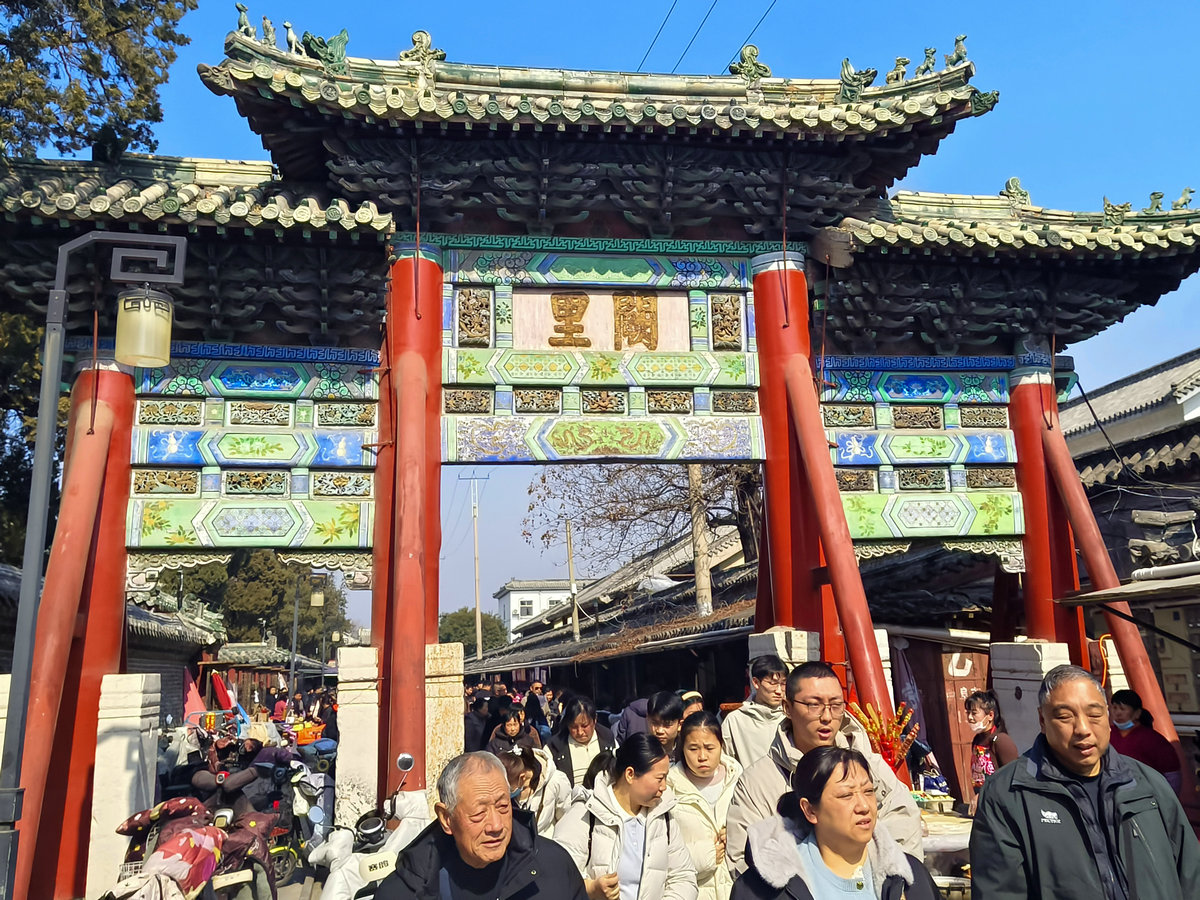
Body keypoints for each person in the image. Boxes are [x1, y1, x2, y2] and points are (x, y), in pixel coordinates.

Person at [970, 664, 1200, 899]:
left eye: (1094, 715)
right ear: (1042, 720)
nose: (1082, 729)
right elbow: (999, 891)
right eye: (1064, 717)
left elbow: (1191, 876)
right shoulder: (1008, 794)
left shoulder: (1148, 784)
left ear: (1107, 716)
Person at [725, 662, 921, 876]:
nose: (827, 717)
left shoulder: (870, 767)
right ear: (787, 708)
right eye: (813, 705)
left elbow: (904, 823)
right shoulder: (758, 781)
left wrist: (862, 873)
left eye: (836, 705)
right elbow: (743, 859)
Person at [731, 746, 940, 900]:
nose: (864, 806)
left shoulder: (910, 878)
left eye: (868, 791)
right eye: (846, 795)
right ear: (810, 810)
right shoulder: (762, 890)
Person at [374, 751, 587, 900]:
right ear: (447, 818)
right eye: (479, 813)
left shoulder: (554, 866)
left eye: (503, 807)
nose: (496, 825)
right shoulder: (405, 891)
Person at [555, 733, 698, 900]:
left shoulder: (663, 816)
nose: (664, 787)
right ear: (630, 774)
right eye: (660, 778)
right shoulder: (586, 811)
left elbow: (684, 877)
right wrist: (591, 889)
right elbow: (557, 875)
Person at [668, 711, 743, 900]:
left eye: (710, 748)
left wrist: (738, 836)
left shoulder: (739, 780)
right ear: (682, 748)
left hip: (737, 890)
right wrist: (704, 855)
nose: (702, 756)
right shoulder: (669, 788)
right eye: (693, 749)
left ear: (721, 746)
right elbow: (660, 851)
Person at [1109, 687, 1182, 791]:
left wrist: (1166, 797)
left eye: (1122, 709)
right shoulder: (1107, 734)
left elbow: (1172, 774)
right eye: (1115, 708)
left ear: (1137, 713)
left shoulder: (1153, 739)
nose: (1118, 713)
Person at [721, 655, 788, 769]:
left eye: (783, 684)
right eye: (772, 683)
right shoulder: (735, 721)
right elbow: (727, 765)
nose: (778, 691)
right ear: (756, 683)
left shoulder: (790, 718)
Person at [964, 689, 1018, 814]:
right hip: (984, 807)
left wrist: (984, 796)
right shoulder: (977, 740)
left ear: (990, 715)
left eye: (974, 713)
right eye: (968, 713)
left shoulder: (1001, 741)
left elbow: (1011, 779)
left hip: (1000, 809)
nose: (970, 717)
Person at [501, 744, 573, 838]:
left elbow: (565, 819)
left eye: (509, 788)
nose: (508, 791)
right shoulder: (508, 770)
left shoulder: (556, 780)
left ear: (522, 778)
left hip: (546, 842)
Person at [548, 695, 617, 788]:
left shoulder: (608, 739)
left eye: (584, 726)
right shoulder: (554, 747)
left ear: (594, 720)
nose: (580, 732)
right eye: (573, 727)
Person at [648, 690, 686, 760]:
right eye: (654, 723)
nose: (660, 731)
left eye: (667, 724)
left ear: (680, 724)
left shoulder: (686, 754)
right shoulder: (640, 753)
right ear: (647, 719)